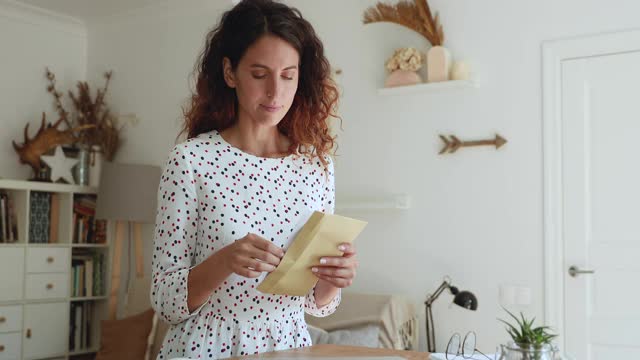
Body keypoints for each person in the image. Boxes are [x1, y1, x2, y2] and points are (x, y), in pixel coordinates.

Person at [150, 1, 358, 358]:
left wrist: (333, 279)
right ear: (230, 73)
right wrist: (224, 260)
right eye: (260, 75)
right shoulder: (191, 161)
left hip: (289, 347)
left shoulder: (316, 168)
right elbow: (166, 301)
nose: (276, 93)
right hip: (207, 348)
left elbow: (316, 305)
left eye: (288, 75)